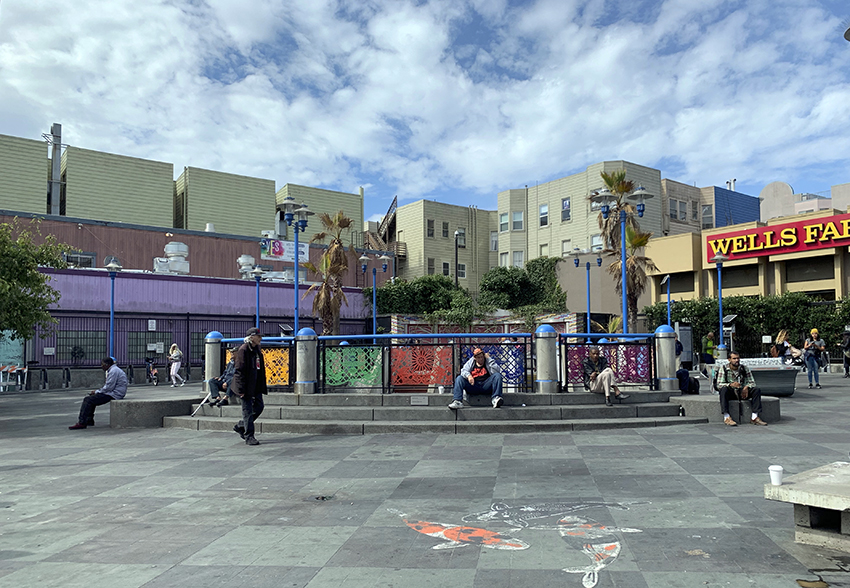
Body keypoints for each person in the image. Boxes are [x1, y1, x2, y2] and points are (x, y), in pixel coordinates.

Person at [230, 327, 267, 445]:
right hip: (245, 386)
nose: (260, 338)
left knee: (259, 406)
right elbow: (239, 370)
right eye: (258, 336)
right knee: (247, 411)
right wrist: (241, 389)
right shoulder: (243, 350)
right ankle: (249, 436)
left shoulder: (256, 349)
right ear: (251, 337)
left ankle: (241, 426)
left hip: (255, 384)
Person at [68, 357, 128, 429]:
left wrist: (97, 391)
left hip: (114, 394)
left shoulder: (113, 371)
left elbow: (109, 387)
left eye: (102, 364)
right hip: (115, 392)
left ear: (107, 364)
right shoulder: (114, 370)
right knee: (91, 399)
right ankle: (88, 420)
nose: (101, 366)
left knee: (88, 400)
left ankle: (82, 422)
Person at [716, 351, 767, 426]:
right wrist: (730, 385)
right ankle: (726, 417)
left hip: (742, 392)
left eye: (738, 358)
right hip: (731, 392)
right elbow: (719, 384)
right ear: (729, 359)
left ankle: (754, 417)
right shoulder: (723, 368)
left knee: (756, 390)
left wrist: (746, 387)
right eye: (734, 358)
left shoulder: (744, 368)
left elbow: (752, 382)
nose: (737, 360)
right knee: (723, 390)